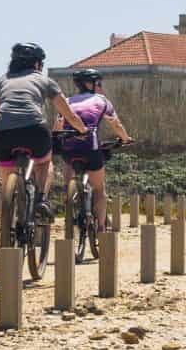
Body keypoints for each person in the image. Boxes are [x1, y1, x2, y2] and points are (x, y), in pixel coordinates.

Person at [0, 42, 88, 224]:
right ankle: (41, 199)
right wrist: (82, 129)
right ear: (37, 64)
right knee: (44, 163)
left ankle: (5, 225)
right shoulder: (44, 81)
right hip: (34, 130)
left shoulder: (2, 80)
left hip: (3, 133)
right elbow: (68, 114)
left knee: (5, 184)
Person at [55, 68, 133, 233]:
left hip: (68, 149)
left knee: (68, 167)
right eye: (99, 83)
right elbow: (116, 124)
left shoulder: (67, 101)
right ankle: (101, 228)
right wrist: (125, 139)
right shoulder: (102, 100)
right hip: (90, 148)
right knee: (99, 190)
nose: (101, 87)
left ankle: (67, 193)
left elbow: (57, 127)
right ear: (91, 84)